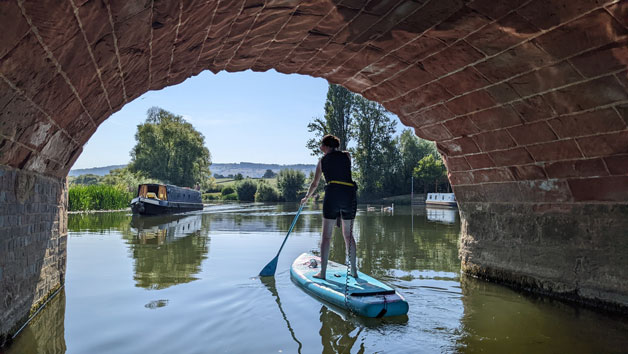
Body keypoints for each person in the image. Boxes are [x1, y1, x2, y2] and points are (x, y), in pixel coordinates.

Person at [301, 134, 357, 280]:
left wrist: (307, 197)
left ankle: (323, 273)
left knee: (326, 237)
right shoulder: (347, 155)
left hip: (332, 196)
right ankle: (354, 271)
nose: (320, 148)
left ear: (325, 146)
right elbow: (343, 163)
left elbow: (315, 184)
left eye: (321, 145)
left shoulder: (322, 161)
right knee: (348, 235)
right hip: (349, 195)